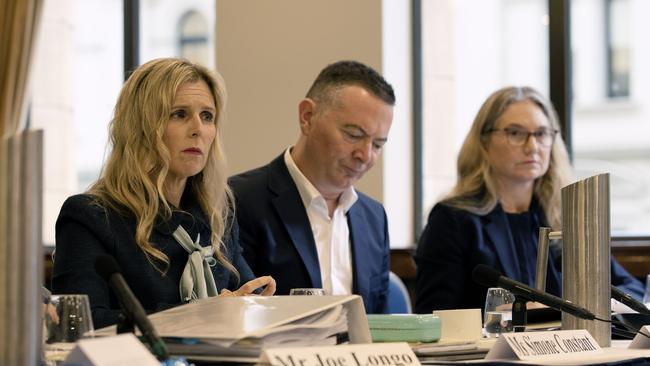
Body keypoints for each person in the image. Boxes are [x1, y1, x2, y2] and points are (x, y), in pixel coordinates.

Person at [52, 58, 275, 328]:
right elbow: (78, 323)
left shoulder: (217, 217)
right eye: (179, 114)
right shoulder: (91, 217)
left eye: (207, 116)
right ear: (142, 128)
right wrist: (199, 315)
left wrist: (256, 302)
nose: (198, 130)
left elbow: (241, 301)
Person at [414, 86, 644, 313]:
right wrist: (507, 315)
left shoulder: (564, 219)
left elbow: (631, 290)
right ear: (484, 142)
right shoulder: (452, 220)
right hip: (493, 349)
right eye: (515, 133)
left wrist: (586, 307)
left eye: (542, 134)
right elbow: (435, 316)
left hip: (571, 348)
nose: (532, 146)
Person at [229, 60, 394, 313]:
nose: (366, 155)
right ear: (307, 117)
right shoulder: (240, 200)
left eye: (378, 145)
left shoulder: (373, 218)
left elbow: (381, 327)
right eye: (353, 135)